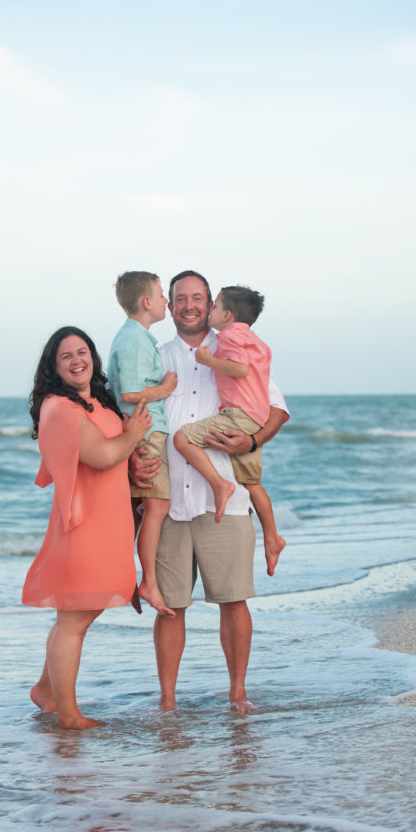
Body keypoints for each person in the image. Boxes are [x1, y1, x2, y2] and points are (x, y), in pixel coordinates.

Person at [130, 271, 289, 713]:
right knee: (170, 608)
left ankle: (237, 692)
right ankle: (167, 700)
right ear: (170, 305)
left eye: (197, 298)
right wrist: (130, 459)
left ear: (211, 304)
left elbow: (277, 408)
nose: (189, 305)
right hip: (167, 501)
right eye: (179, 298)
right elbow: (130, 417)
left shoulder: (234, 345)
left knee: (233, 601)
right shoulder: (155, 356)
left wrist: (253, 441)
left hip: (229, 502)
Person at [23, 326, 152, 730]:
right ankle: (69, 714)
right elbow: (103, 454)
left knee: (79, 613)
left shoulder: (94, 402)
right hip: (82, 527)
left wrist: (133, 459)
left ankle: (47, 691)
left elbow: (115, 453)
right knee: (74, 619)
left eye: (83, 351)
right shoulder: (60, 409)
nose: (78, 360)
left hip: (107, 523)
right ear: (54, 366)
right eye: (67, 356)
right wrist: (131, 438)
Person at [173, 285, 286, 576]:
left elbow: (240, 370)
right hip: (251, 417)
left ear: (226, 313)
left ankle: (219, 485)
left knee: (182, 438)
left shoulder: (230, 337)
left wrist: (208, 361)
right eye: (181, 298)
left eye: (209, 302)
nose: (205, 308)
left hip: (238, 417)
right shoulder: (253, 339)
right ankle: (272, 537)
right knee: (252, 483)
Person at [107, 272, 177, 615]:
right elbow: (131, 393)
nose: (166, 301)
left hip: (142, 430)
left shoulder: (134, 337)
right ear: (146, 302)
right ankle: (147, 581)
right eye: (162, 295)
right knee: (157, 506)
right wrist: (164, 390)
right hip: (147, 429)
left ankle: (124, 576)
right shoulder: (135, 339)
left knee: (137, 511)